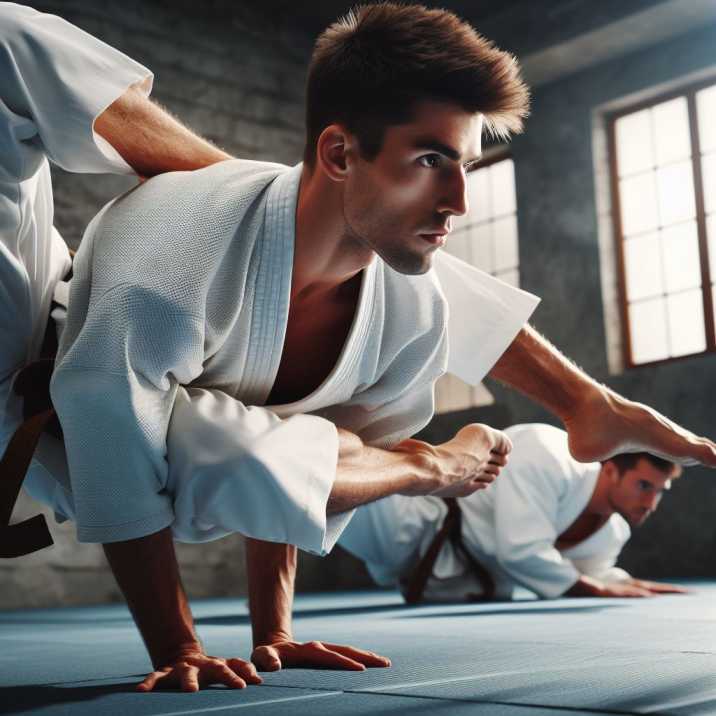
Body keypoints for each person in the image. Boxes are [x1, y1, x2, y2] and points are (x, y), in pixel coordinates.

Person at [1, 1, 714, 694]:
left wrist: (272, 633)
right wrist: (179, 646)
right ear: (338, 151)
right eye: (432, 159)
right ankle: (469, 447)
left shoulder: (409, 316)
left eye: (465, 164)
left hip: (170, 396)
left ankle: (582, 403)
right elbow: (115, 441)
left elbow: (299, 441)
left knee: (307, 389)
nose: (460, 201)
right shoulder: (168, 265)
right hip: (30, 339)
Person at [340, 423, 688, 602]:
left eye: (659, 491)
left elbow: (591, 572)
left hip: (459, 582)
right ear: (611, 468)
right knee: (325, 482)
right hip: (418, 525)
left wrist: (626, 584)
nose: (651, 503)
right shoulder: (548, 453)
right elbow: (520, 551)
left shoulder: (613, 532)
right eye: (645, 486)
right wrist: (598, 591)